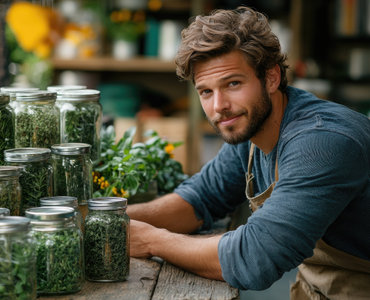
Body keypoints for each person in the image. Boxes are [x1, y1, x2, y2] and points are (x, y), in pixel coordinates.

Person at [127, 6, 370, 299]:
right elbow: (201, 199)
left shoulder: (322, 143)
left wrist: (153, 241)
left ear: (271, 78)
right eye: (206, 91)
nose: (219, 106)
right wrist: (111, 219)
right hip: (315, 290)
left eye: (233, 84)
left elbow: (256, 258)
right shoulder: (251, 129)